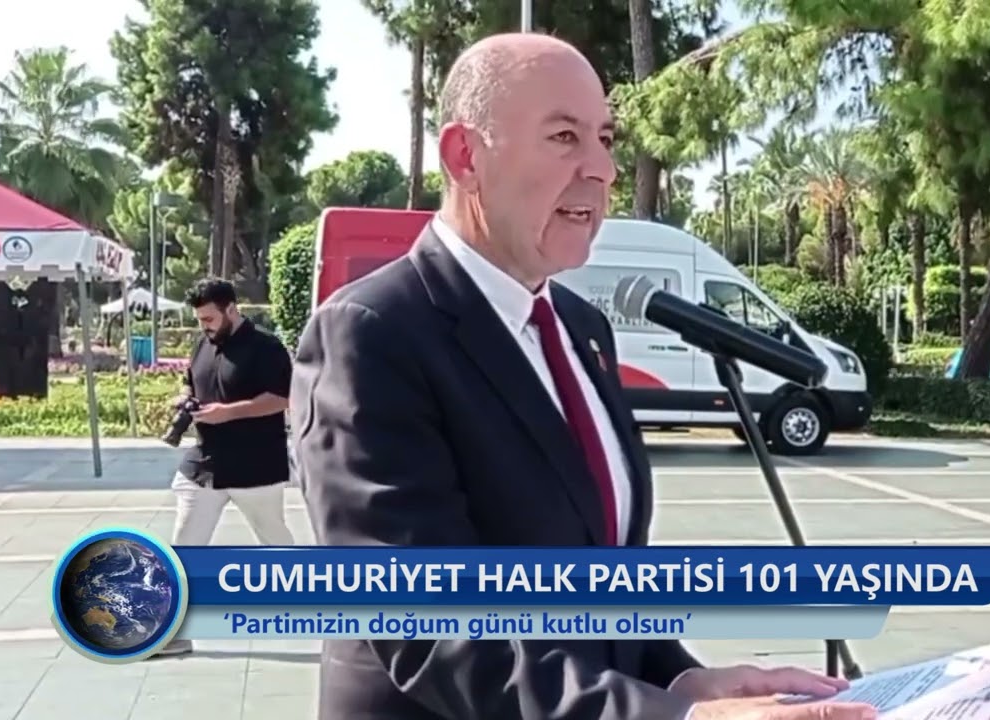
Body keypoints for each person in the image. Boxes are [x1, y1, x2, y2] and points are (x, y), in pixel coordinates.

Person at [289, 32, 875, 720]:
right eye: (564, 137)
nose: (602, 169)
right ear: (465, 156)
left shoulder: (580, 326)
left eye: (605, 138)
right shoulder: (371, 332)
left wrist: (681, 680)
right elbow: (431, 629)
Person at [156, 278, 296, 658]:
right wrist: (184, 399)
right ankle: (174, 634)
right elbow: (190, 383)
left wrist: (228, 413)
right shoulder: (203, 342)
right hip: (204, 464)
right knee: (184, 549)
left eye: (209, 318)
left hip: (256, 467)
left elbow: (282, 398)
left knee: (276, 542)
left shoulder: (267, 347)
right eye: (200, 319)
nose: (204, 326)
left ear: (232, 309)